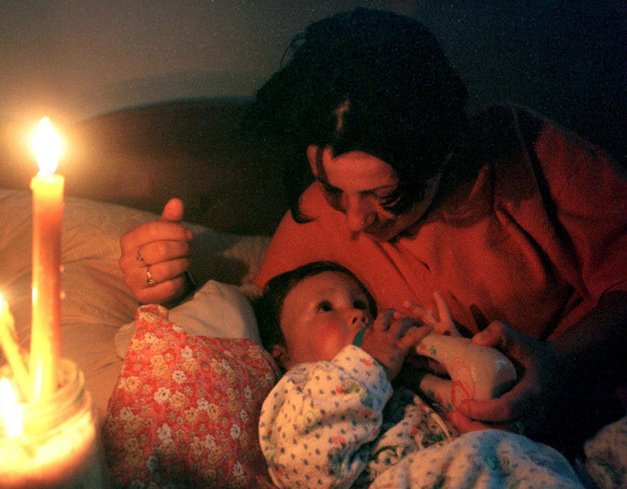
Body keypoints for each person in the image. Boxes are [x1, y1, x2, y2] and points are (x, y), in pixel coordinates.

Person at [119, 8, 627, 455]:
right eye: (334, 189)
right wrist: (169, 284)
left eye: (388, 198)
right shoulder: (314, 218)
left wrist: (559, 363)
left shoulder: (521, 147)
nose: (356, 221)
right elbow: (266, 334)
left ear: (444, 155)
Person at [255, 261, 600, 489]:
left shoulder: (401, 378)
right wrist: (367, 366)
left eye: (360, 304)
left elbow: (485, 415)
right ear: (283, 354)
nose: (358, 316)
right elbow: (307, 468)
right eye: (325, 307)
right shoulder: (298, 388)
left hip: (492, 472)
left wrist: (455, 359)